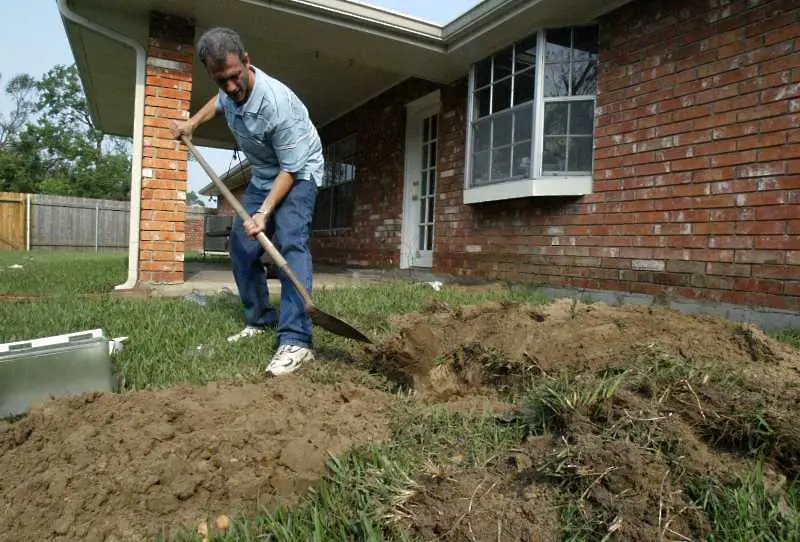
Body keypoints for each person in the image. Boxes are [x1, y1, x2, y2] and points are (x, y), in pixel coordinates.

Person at [170, 27, 323, 376]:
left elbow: (291, 169)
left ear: (248, 63)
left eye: (235, 77)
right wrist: (191, 124)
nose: (230, 87)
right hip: (266, 172)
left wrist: (265, 213)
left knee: (289, 243)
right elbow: (219, 102)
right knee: (241, 246)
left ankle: (297, 340)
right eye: (221, 80)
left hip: (299, 172)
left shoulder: (276, 104)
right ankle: (261, 318)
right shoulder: (227, 90)